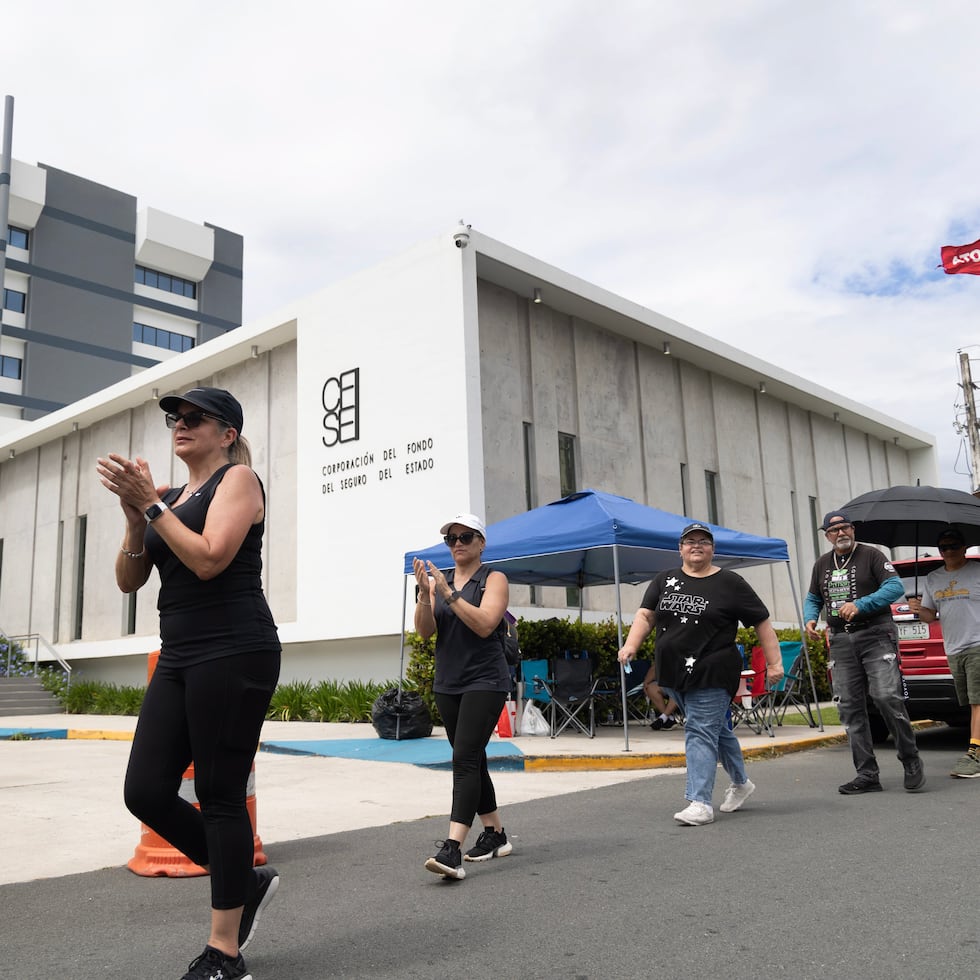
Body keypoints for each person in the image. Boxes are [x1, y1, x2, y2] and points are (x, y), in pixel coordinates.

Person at [96, 387, 282, 980]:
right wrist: (135, 518)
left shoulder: (240, 481)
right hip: (179, 654)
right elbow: (129, 580)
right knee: (145, 791)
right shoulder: (172, 498)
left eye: (195, 418)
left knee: (221, 795)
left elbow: (208, 558)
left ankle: (225, 953)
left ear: (226, 432)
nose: (180, 424)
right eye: (176, 418)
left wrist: (151, 504)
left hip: (235, 648)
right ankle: (242, 880)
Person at [617, 522, 784, 825]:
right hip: (674, 673)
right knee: (715, 730)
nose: (697, 546)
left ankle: (700, 802)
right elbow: (646, 615)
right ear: (680, 548)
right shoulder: (665, 579)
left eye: (703, 541)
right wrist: (630, 645)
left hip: (714, 668)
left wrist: (774, 664)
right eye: (690, 541)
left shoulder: (730, 582)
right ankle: (741, 783)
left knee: (699, 730)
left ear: (712, 548)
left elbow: (761, 621)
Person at [413, 513, 513, 879]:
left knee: (464, 759)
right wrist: (426, 595)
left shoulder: (493, 579)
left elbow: (486, 624)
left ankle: (452, 849)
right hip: (448, 683)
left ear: (481, 543)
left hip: (485, 681)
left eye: (465, 537)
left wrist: (448, 592)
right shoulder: (438, 583)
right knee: (473, 759)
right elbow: (424, 632)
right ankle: (496, 833)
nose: (457, 543)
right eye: (450, 539)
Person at [804, 510, 925, 795]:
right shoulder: (822, 563)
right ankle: (867, 774)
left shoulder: (872, 555)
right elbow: (813, 596)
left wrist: (861, 604)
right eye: (834, 531)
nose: (841, 533)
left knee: (885, 696)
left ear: (853, 530)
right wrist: (810, 616)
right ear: (827, 536)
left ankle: (910, 759)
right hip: (841, 640)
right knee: (849, 707)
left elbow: (894, 586)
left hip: (876, 634)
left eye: (845, 528)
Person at [908, 526, 980, 778]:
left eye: (953, 546)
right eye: (943, 547)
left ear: (964, 547)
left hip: (977, 644)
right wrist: (917, 608)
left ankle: (975, 753)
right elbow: (930, 617)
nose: (948, 551)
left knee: (977, 701)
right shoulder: (933, 578)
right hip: (953, 647)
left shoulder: (977, 571)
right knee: (970, 701)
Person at [641, 664, 680, 730]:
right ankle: (669, 719)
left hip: (685, 685)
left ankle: (663, 718)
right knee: (650, 687)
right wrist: (646, 682)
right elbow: (656, 666)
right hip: (669, 684)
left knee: (678, 688)